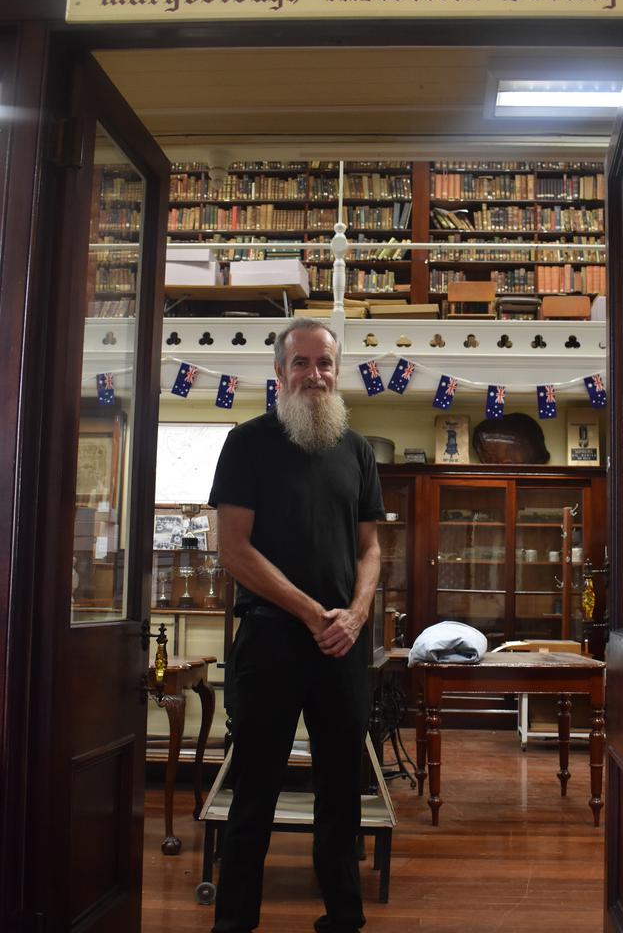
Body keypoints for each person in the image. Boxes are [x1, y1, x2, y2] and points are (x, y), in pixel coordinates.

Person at [209, 318, 384, 933]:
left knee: (342, 796)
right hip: (271, 642)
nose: (315, 375)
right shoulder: (247, 443)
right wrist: (313, 613)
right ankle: (233, 924)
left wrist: (356, 614)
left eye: (325, 364)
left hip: (343, 645)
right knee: (253, 795)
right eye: (302, 364)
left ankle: (343, 919)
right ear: (280, 373)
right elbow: (233, 548)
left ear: (338, 372)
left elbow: (370, 548)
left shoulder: (357, 450)